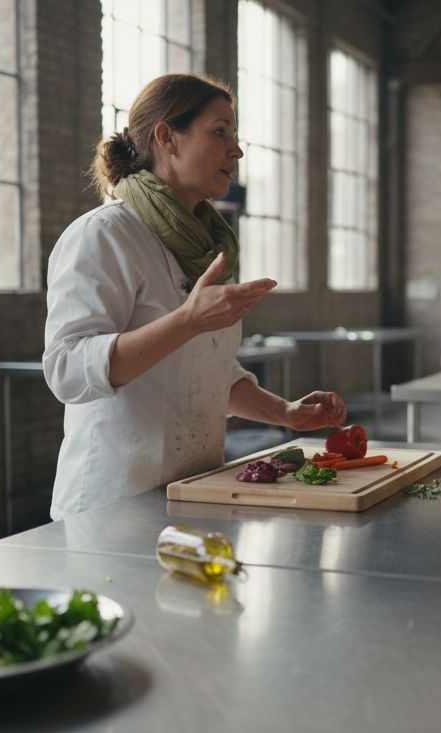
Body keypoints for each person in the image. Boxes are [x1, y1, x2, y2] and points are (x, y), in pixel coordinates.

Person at [43, 74, 346, 519]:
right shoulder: (104, 235)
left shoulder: (207, 245)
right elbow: (67, 370)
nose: (237, 150)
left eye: (235, 135)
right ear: (167, 137)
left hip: (198, 494)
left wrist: (286, 413)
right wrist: (187, 321)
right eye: (219, 132)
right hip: (114, 505)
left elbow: (209, 374)